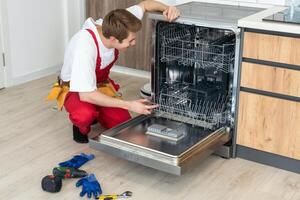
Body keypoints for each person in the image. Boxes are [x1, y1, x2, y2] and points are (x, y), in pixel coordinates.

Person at [57, 0, 180, 143]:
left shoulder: (118, 24)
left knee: (122, 124)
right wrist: (130, 105)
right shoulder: (84, 47)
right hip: (76, 89)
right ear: (114, 39)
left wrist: (169, 8)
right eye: (131, 41)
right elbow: (86, 95)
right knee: (84, 114)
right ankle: (80, 127)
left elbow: (145, 5)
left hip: (99, 85)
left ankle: (98, 112)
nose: (134, 43)